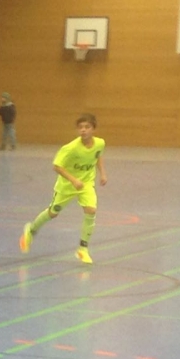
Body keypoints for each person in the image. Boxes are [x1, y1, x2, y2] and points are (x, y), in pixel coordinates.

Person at [20, 113, 107, 264]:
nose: (83, 130)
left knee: (91, 210)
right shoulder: (71, 148)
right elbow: (57, 166)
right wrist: (73, 180)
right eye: (80, 127)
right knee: (53, 213)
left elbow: (97, 155)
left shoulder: (100, 143)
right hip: (67, 186)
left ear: (94, 129)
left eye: (87, 127)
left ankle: (83, 249)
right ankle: (31, 231)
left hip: (86, 184)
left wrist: (103, 173)